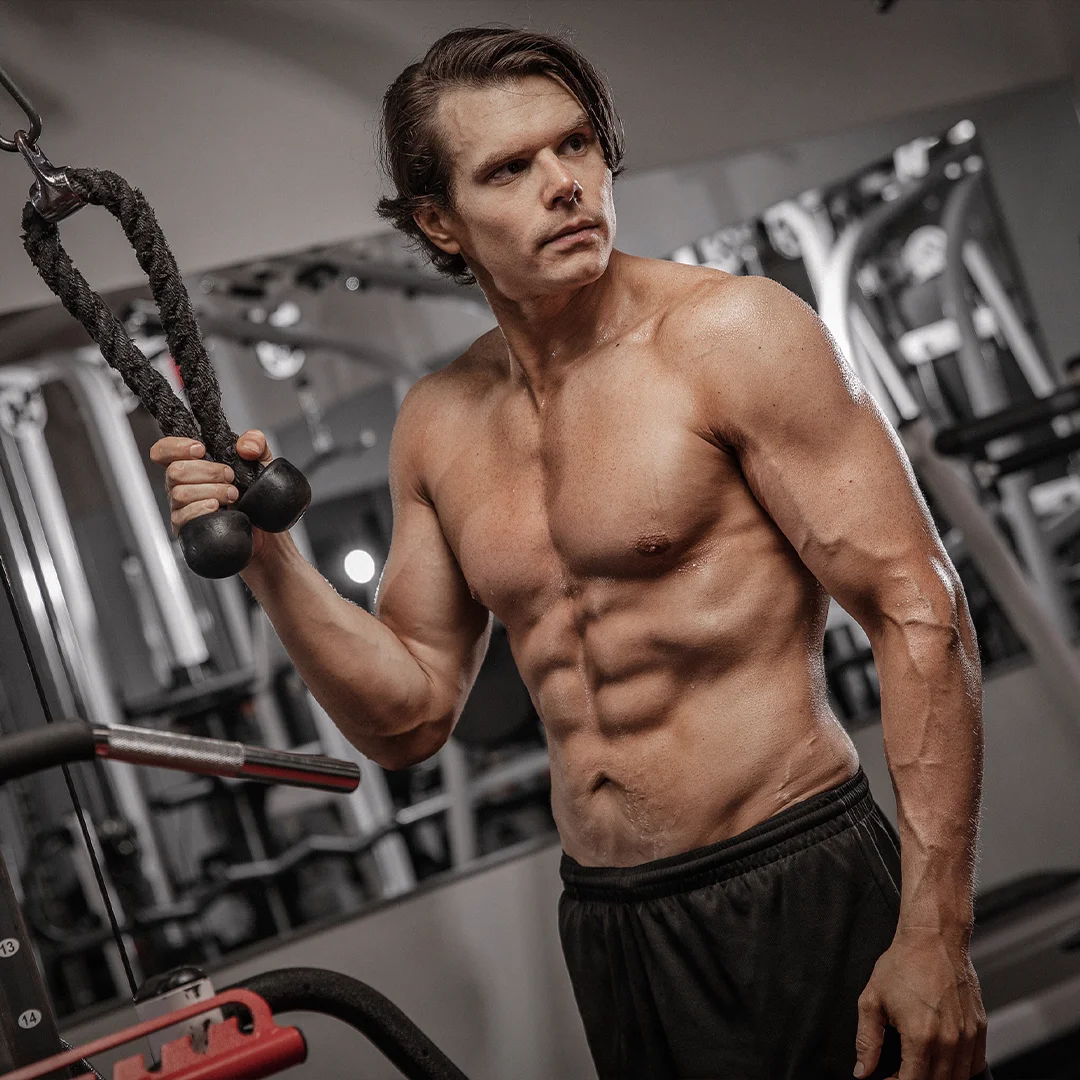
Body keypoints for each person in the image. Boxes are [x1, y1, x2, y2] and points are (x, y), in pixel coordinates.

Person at [151, 27, 991, 1080]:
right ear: (439, 222)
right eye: (510, 168)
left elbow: (920, 611)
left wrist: (935, 932)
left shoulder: (732, 337)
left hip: (796, 874)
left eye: (577, 144)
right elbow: (407, 719)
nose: (565, 184)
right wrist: (273, 565)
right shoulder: (439, 422)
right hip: (611, 922)